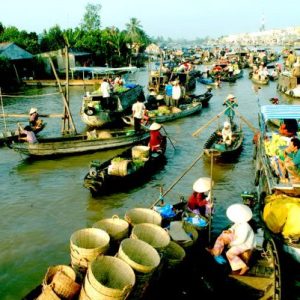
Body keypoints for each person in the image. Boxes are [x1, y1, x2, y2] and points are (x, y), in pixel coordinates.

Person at [206, 203, 256, 275]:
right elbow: (233, 227)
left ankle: (244, 267)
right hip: (238, 240)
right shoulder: (239, 222)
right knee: (221, 237)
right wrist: (230, 230)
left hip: (246, 244)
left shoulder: (245, 227)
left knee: (230, 253)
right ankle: (215, 251)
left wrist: (230, 244)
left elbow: (242, 240)